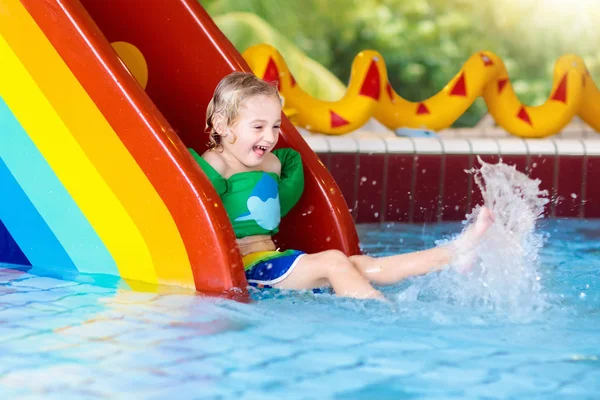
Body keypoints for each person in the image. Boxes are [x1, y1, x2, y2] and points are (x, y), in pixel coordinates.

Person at [190, 72, 494, 301]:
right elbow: (195, 210)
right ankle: (383, 317)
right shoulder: (217, 165)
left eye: (275, 126)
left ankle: (457, 251)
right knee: (335, 262)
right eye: (258, 127)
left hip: (272, 261)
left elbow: (284, 194)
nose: (270, 138)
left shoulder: (272, 164)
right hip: (246, 270)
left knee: (360, 265)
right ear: (221, 125)